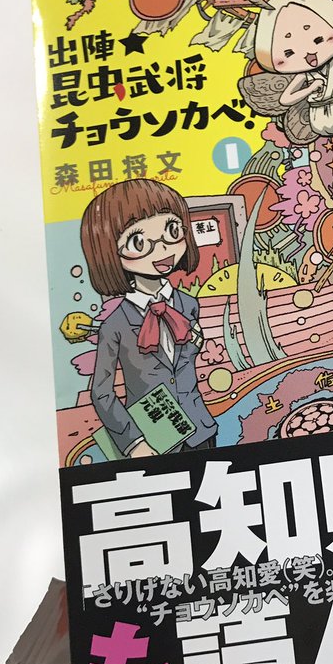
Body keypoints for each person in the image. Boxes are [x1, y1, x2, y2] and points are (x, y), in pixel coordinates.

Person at [80, 178, 217, 457]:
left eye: (172, 230)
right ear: (108, 252)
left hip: (201, 429)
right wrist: (134, 443)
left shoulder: (188, 305)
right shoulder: (115, 325)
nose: (163, 249)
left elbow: (182, 363)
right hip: (154, 439)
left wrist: (194, 345)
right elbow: (102, 393)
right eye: (139, 242)